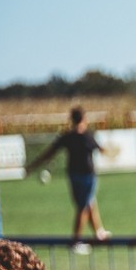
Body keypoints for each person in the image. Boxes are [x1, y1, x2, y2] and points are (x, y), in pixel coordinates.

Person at [27, 107, 111, 251]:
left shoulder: (67, 136)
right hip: (87, 176)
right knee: (83, 207)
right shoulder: (86, 136)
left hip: (73, 175)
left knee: (89, 202)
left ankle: (99, 232)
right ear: (84, 118)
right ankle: (76, 242)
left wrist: (32, 166)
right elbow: (101, 150)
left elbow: (49, 152)